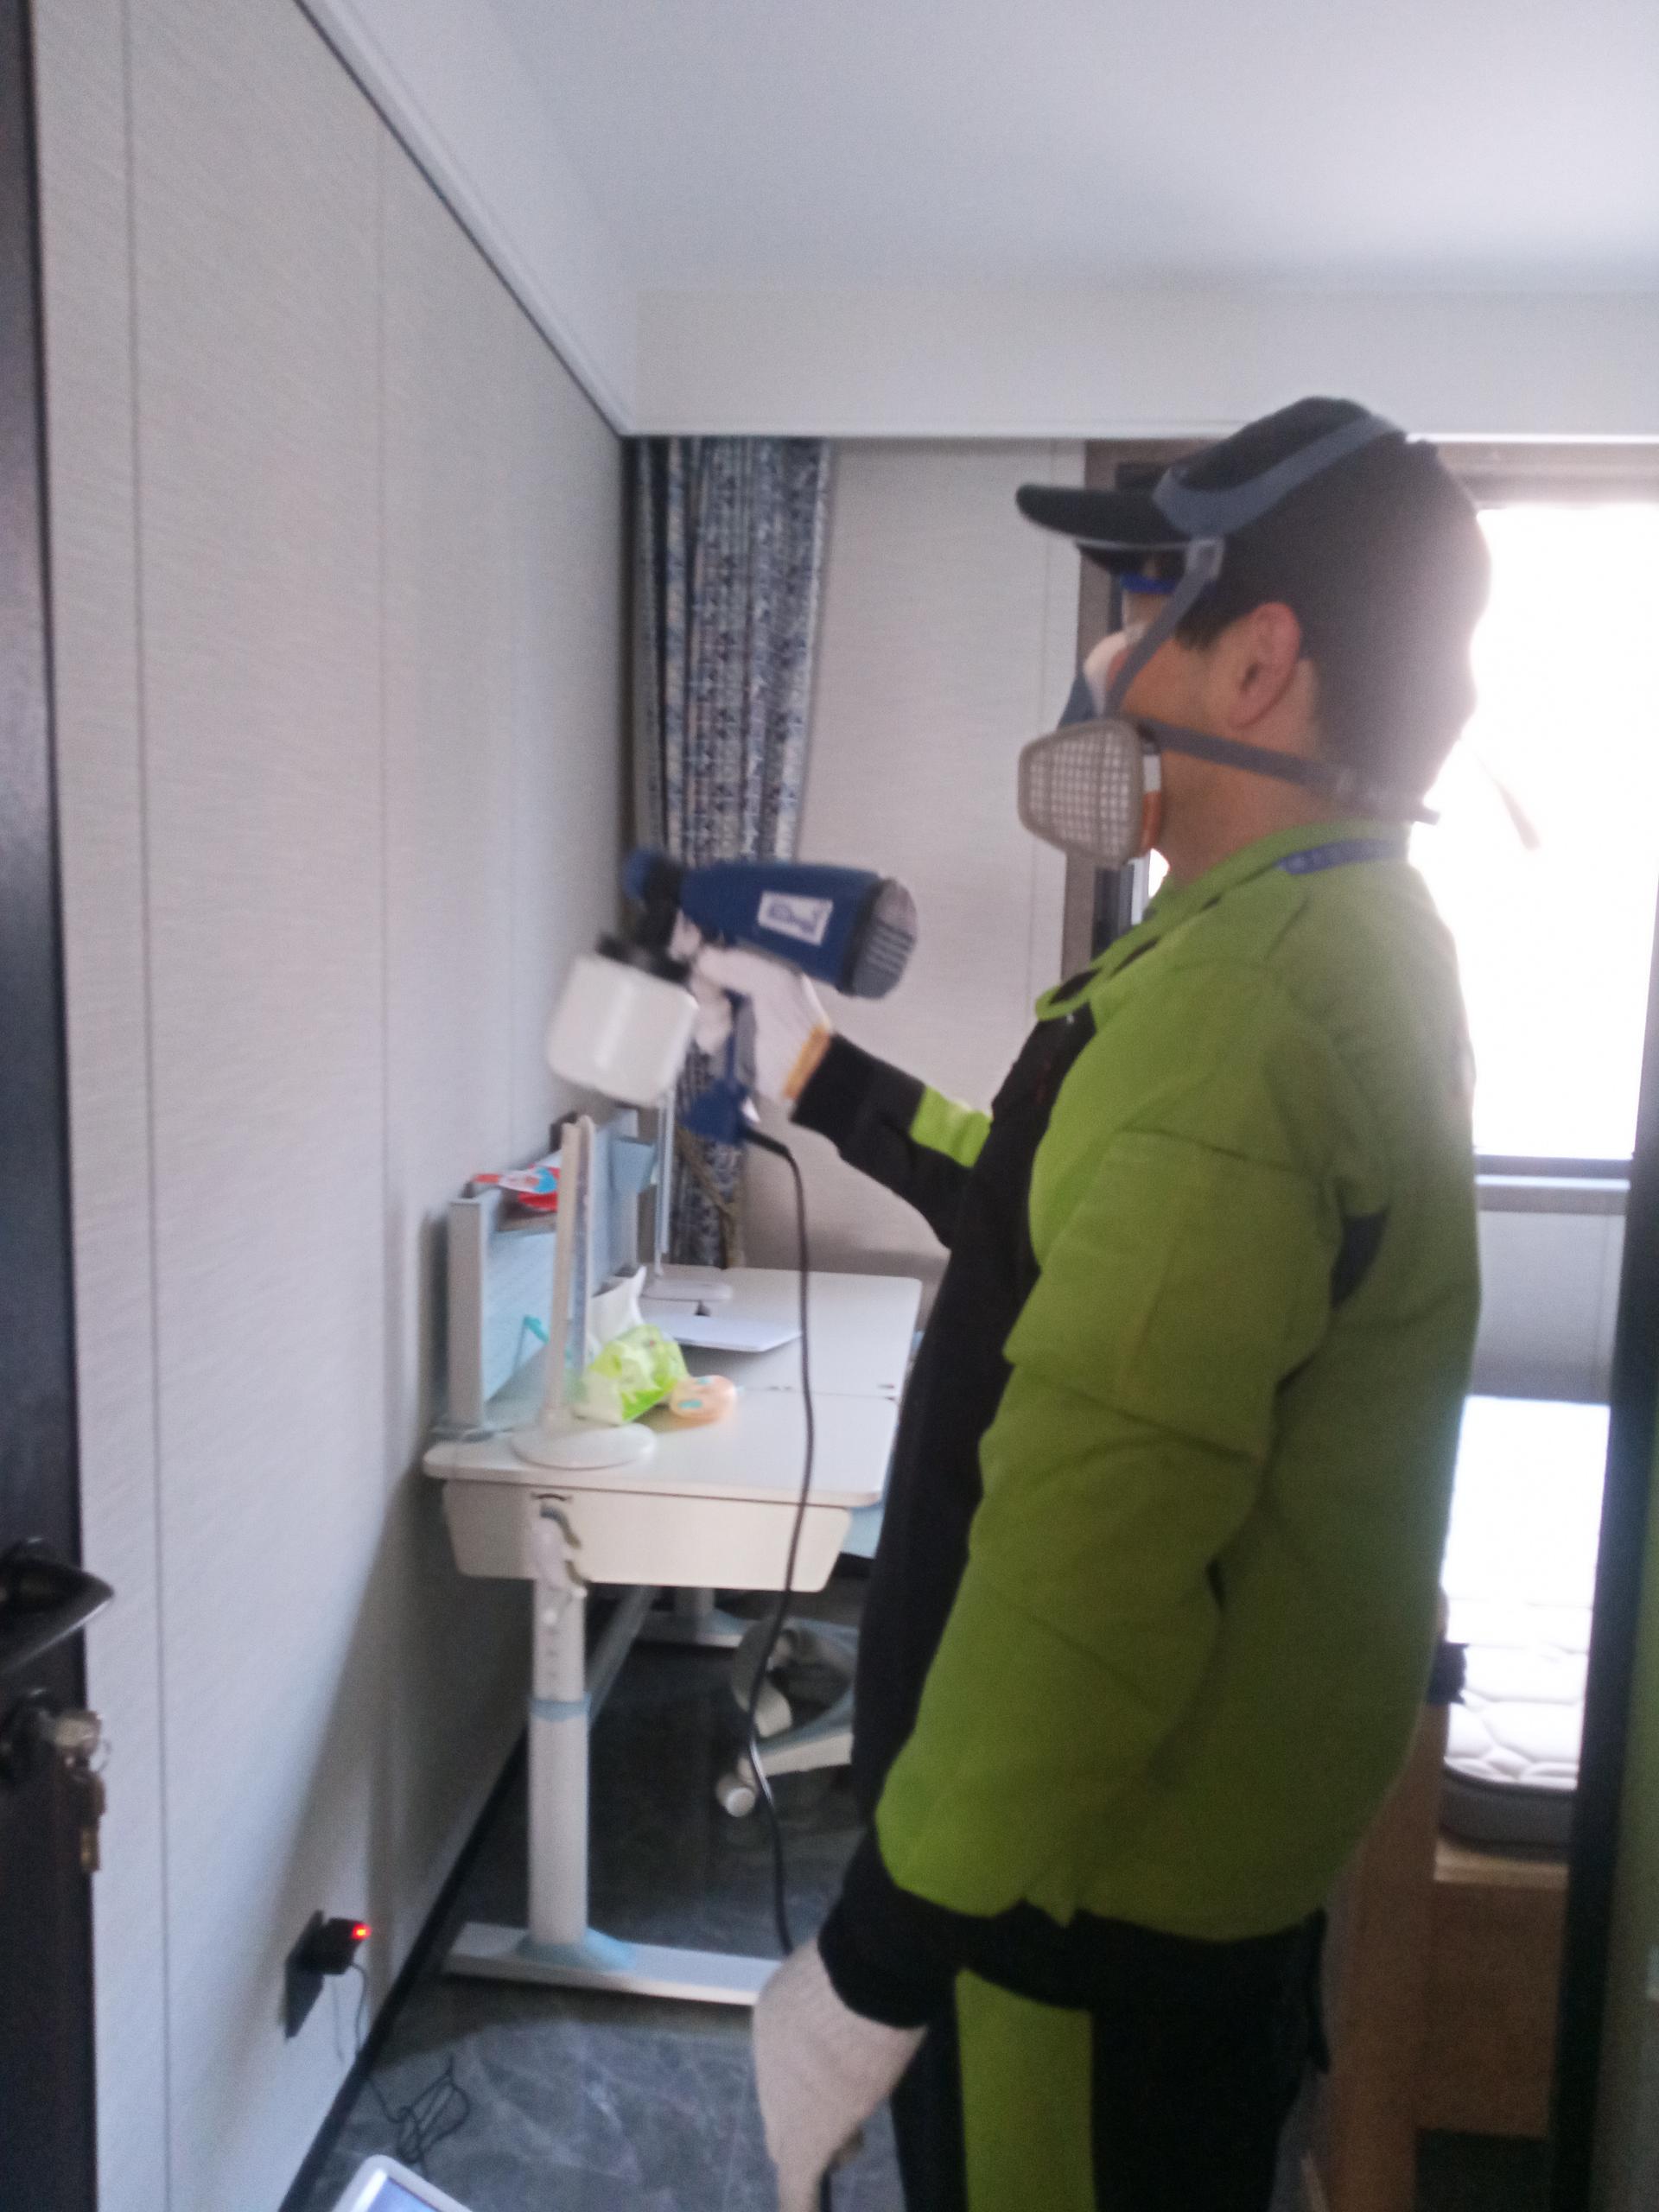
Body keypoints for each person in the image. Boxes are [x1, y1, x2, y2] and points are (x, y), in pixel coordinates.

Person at [702, 397, 1491, 2212]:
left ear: (1260, 662)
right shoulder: (1331, 935)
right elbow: (1052, 1211)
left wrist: (875, 1963)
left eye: (1146, 600)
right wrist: (822, 1077)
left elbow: (1090, 1565)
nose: (1107, 656)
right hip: (1177, 1893)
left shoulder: (1247, 1005)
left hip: (1077, 1905)